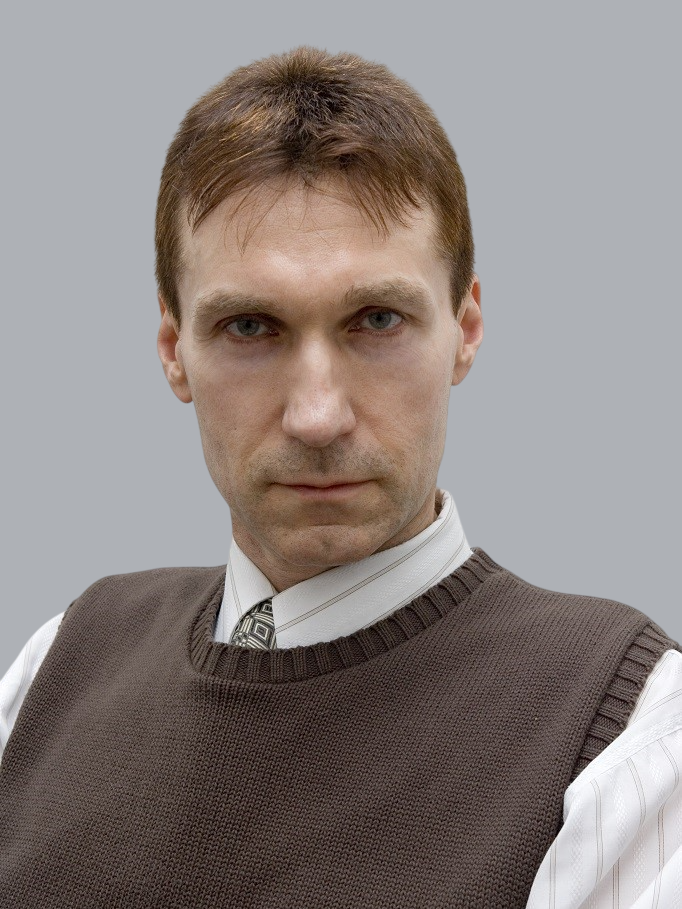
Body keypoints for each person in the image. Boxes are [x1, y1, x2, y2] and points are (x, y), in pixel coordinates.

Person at [0, 46, 680, 909]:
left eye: (377, 319)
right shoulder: (59, 661)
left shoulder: (628, 731)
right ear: (174, 349)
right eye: (251, 327)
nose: (317, 416)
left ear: (466, 327)